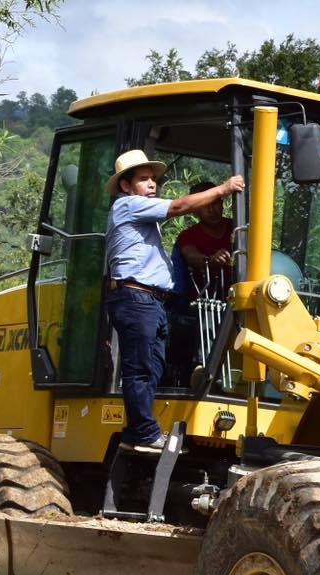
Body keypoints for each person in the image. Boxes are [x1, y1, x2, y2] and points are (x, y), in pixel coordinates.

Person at [105, 150, 243, 453]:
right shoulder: (127, 205)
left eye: (153, 179)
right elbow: (179, 206)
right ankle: (143, 433)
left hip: (150, 301)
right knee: (140, 368)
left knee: (154, 367)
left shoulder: (141, 214)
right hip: (136, 297)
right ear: (126, 186)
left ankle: (137, 430)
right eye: (143, 179)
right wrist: (223, 189)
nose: (151, 184)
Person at [175, 181, 236, 297]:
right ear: (194, 210)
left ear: (222, 204)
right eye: (204, 205)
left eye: (214, 203)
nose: (211, 210)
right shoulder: (188, 235)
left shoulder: (237, 227)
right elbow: (192, 256)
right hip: (205, 302)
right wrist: (210, 260)